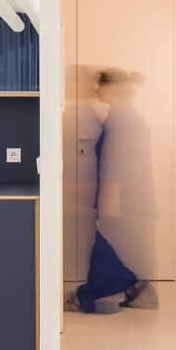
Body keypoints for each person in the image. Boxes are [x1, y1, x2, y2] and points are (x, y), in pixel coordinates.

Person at [67, 68, 159, 313]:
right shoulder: (124, 117)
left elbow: (116, 162)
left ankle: (101, 292)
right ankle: (135, 289)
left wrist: (109, 198)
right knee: (107, 247)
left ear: (114, 89)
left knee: (104, 247)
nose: (97, 91)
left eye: (101, 86)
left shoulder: (121, 120)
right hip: (132, 198)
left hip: (126, 199)